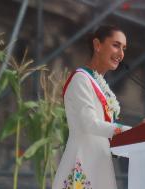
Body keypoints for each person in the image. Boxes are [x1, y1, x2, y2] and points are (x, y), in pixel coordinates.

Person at [52, 25, 131, 189]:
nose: (121, 54)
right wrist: (131, 131)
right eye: (116, 45)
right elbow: (89, 123)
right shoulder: (81, 79)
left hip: (100, 159)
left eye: (123, 48)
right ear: (97, 45)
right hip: (83, 159)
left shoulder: (99, 83)